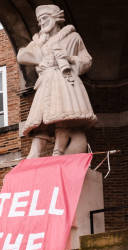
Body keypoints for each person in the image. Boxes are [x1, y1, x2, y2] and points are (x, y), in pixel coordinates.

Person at [16, 4, 96, 158]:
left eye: (44, 18)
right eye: (39, 20)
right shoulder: (40, 41)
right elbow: (22, 56)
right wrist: (40, 44)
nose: (41, 23)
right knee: (41, 121)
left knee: (62, 115)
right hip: (46, 81)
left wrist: (70, 59)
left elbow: (87, 60)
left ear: (55, 18)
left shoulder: (73, 37)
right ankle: (36, 155)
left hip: (65, 80)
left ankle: (57, 152)